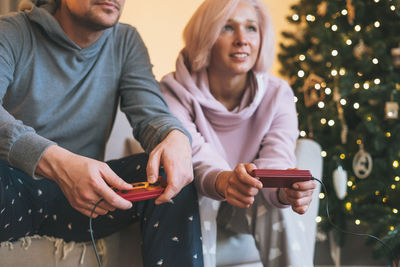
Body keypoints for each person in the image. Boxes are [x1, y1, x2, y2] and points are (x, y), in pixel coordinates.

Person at [0, 0, 203, 266]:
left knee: (168, 176)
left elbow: (151, 113)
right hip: (13, 190)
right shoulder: (11, 31)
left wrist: (173, 135)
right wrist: (58, 162)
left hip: (88, 200)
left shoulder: (126, 40)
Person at [160, 0, 317, 266]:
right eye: (227, 28)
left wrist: (283, 192)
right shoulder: (173, 90)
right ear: (206, 36)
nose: (242, 40)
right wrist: (224, 181)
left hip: (250, 202)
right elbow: (191, 155)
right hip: (199, 196)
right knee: (190, 193)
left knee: (282, 210)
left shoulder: (278, 93)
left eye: (251, 28)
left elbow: (277, 157)